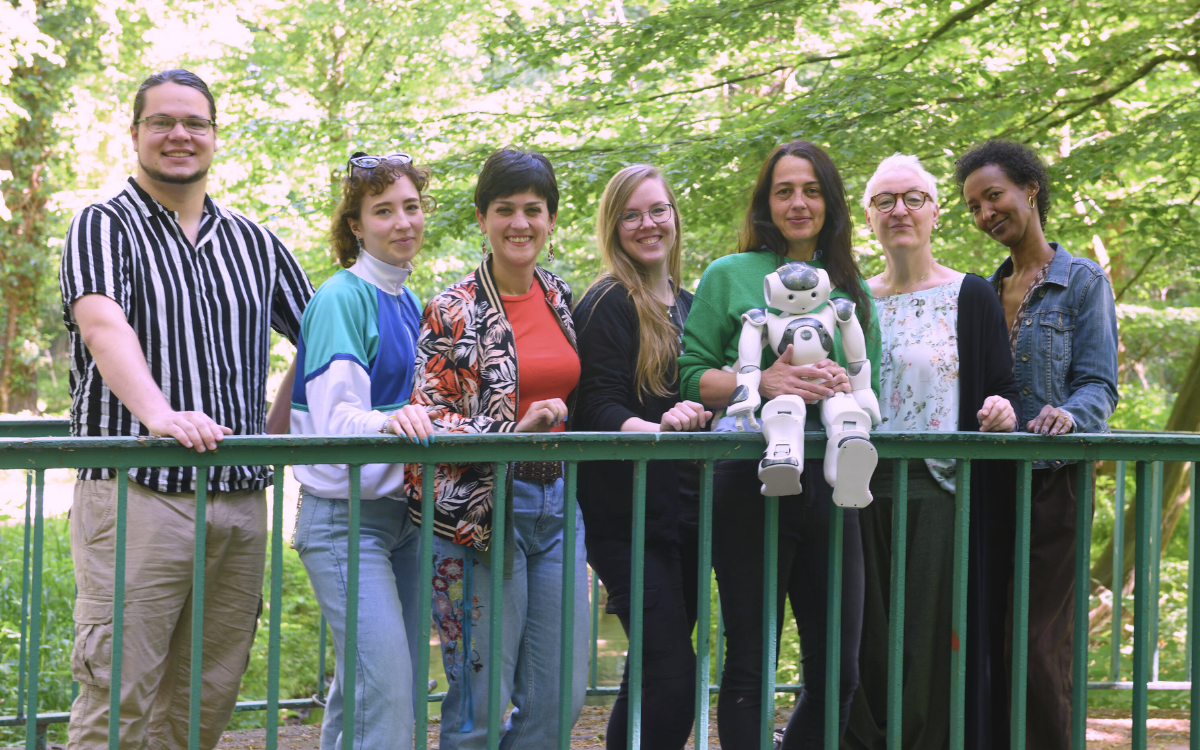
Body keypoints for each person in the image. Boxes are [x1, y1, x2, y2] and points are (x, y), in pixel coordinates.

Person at [58, 69, 313, 749]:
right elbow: (101, 326)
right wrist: (159, 413)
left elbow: (328, 337)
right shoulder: (102, 226)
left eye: (194, 123)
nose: (179, 135)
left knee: (204, 700)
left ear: (214, 136)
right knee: (119, 696)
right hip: (140, 493)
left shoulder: (255, 242)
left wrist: (276, 430)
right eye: (162, 121)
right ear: (135, 133)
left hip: (237, 501)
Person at [678, 140, 880, 749]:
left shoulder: (849, 285)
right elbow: (691, 375)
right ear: (766, 203)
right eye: (784, 190)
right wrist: (760, 381)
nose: (798, 202)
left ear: (830, 203)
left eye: (811, 190)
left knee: (839, 669)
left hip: (834, 480)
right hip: (751, 479)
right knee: (750, 662)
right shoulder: (729, 274)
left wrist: (845, 382)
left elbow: (867, 373)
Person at [405, 148, 589, 749]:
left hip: (559, 506)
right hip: (477, 517)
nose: (520, 223)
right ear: (483, 218)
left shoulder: (559, 296)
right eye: (504, 209)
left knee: (559, 695)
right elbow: (427, 415)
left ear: (551, 219)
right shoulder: (452, 308)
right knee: (477, 705)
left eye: (533, 210)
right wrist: (512, 431)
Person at [843, 154, 1021, 750]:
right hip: (858, 485)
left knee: (926, 637)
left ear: (935, 212)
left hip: (941, 488)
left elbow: (1003, 387)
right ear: (867, 216)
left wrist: (1003, 412)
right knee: (864, 635)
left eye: (914, 198)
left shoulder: (970, 295)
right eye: (885, 200)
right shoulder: (851, 304)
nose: (900, 211)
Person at [956, 140, 1119, 750]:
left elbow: (1100, 384)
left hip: (1054, 480)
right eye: (973, 206)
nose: (985, 213)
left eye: (993, 195)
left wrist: (1068, 417)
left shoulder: (1081, 281)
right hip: (989, 484)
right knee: (986, 638)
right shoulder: (982, 290)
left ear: (1029, 188)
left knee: (1037, 644)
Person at [289, 151, 436, 750]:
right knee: (388, 696)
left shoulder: (407, 300)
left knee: (366, 697)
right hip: (346, 522)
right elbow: (335, 419)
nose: (403, 222)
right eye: (383, 211)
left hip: (401, 517)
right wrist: (397, 417)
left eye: (411, 207)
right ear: (356, 226)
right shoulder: (342, 297)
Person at [571, 164, 711, 750]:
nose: (648, 224)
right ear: (614, 226)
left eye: (658, 210)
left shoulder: (693, 304)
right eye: (631, 214)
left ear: (675, 216)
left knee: (652, 673)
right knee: (675, 681)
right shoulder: (606, 302)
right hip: (628, 522)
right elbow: (593, 406)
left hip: (687, 518)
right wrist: (656, 428)